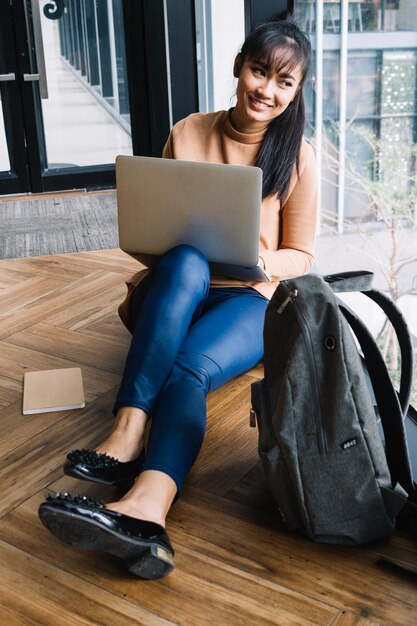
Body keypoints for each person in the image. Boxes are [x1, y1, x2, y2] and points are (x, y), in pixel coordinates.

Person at [38, 16, 317, 580]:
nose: (267, 90)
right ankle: (128, 431)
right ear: (238, 67)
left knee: (187, 371)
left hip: (247, 300)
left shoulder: (300, 156)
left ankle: (148, 504)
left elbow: (303, 256)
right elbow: (155, 234)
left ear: (296, 91)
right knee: (187, 259)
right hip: (174, 288)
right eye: (259, 71)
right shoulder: (187, 131)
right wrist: (160, 247)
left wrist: (257, 260)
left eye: (284, 82)